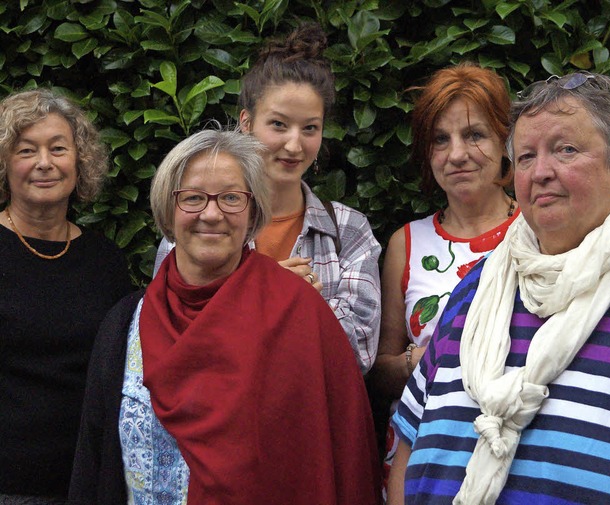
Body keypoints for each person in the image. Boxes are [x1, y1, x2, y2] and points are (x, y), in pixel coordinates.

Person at [69, 129, 381, 505]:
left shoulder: (299, 313)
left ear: (252, 214)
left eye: (232, 198)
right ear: (168, 211)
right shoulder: (125, 324)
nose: (212, 213)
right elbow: (94, 459)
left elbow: (344, 451)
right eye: (193, 198)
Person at [388, 71, 610, 505]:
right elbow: (409, 438)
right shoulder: (476, 287)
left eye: (566, 150)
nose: (541, 172)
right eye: (526, 157)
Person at [154, 23, 382, 374]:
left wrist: (283, 302)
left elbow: (357, 356)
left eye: (310, 128)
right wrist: (268, 291)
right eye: (278, 124)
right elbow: (169, 343)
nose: (294, 145)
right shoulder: (198, 223)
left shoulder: (348, 231)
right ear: (246, 122)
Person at [370, 63, 520, 492]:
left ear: (505, 142)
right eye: (441, 139)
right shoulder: (407, 242)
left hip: (514, 453)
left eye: (475, 135)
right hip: (420, 462)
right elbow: (380, 373)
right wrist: (410, 365)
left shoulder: (538, 229)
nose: (457, 153)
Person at [0, 89, 132, 503]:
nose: (44, 163)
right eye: (26, 150)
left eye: (58, 148)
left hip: (88, 482)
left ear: (80, 162)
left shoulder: (105, 260)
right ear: (4, 164)